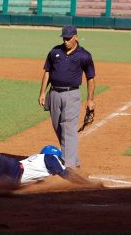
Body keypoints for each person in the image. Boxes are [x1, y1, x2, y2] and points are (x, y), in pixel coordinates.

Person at [38, 25, 96, 168]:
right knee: (58, 127)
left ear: (75, 37)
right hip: (54, 94)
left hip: (71, 95)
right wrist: (42, 92)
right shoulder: (55, 52)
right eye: (64, 38)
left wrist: (90, 99)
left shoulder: (84, 55)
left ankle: (68, 166)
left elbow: (90, 78)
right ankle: (74, 160)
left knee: (68, 128)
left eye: (69, 38)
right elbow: (47, 72)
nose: (66, 41)